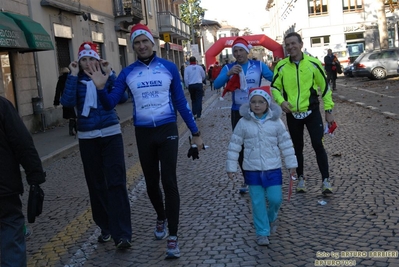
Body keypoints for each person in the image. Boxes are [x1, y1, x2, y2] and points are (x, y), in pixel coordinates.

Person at [90, 23, 204, 259]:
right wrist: (101, 88)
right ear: (133, 46)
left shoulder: (169, 67)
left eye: (145, 41)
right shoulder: (127, 72)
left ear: (152, 43)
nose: (141, 46)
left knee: (169, 182)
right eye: (137, 43)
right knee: (152, 183)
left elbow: (181, 102)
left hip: (167, 130)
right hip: (143, 133)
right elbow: (111, 103)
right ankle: (160, 216)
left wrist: (195, 131)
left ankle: (173, 238)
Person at [61, 42, 132, 250]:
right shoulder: (76, 79)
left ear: (97, 59)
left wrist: (110, 74)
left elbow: (123, 98)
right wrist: (73, 76)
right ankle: (106, 227)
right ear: (79, 62)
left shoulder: (106, 75)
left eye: (91, 58)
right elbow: (66, 102)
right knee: (96, 184)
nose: (88, 63)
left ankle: (123, 234)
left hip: (111, 133)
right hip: (87, 137)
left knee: (116, 183)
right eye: (84, 59)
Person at [226, 86, 297, 246]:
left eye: (261, 102)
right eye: (253, 102)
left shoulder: (276, 122)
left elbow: (286, 143)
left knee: (275, 199)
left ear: (267, 104)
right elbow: (235, 144)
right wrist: (231, 167)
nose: (257, 105)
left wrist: (291, 164)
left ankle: (272, 217)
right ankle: (262, 232)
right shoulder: (243, 123)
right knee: (257, 202)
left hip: (273, 168)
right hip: (252, 170)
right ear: (249, 104)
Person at [271, 32, 335, 194]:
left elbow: (326, 88)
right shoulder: (282, 66)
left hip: (312, 112)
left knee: (318, 144)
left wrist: (329, 111)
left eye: (293, 43)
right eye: (288, 45)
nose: (291, 47)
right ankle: (300, 179)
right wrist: (281, 102)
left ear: (301, 44)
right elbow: (274, 87)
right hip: (293, 114)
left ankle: (326, 181)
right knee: (297, 147)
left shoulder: (313, 64)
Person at [214, 37, 274, 194]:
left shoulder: (258, 65)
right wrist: (228, 74)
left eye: (241, 50)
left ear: (247, 51)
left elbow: (275, 79)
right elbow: (216, 84)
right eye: (235, 51)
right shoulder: (229, 67)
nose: (238, 53)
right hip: (238, 112)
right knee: (241, 147)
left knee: (260, 144)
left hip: (257, 111)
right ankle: (249, 179)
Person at [0, 96, 46, 267]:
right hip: (4, 189)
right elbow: (22, 142)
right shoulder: (2, 106)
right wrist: (35, 176)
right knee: (11, 229)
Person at [53, 67, 77, 136]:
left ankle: (75, 128)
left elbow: (57, 91)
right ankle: (72, 129)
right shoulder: (71, 78)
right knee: (73, 114)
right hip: (72, 98)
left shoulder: (60, 80)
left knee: (71, 115)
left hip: (65, 99)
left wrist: (56, 102)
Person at [184, 56, 206, 120]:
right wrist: (201, 80)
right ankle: (199, 114)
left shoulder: (187, 68)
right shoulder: (199, 67)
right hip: (198, 84)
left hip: (191, 85)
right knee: (199, 99)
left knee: (193, 99)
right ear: (195, 60)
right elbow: (203, 76)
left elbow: (185, 78)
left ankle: (194, 113)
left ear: (189, 61)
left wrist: (187, 85)